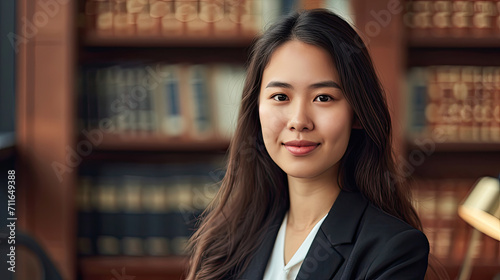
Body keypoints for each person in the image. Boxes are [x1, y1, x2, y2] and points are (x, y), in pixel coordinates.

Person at [186, 9, 434, 280]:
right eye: (280, 96)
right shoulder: (226, 241)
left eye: (323, 98)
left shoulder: (392, 250)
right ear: (255, 109)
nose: (299, 121)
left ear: (358, 114)